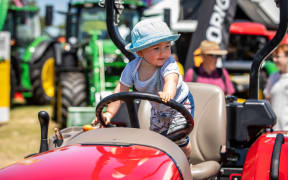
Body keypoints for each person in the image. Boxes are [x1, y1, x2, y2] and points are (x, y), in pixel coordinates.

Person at [92, 20, 195, 158]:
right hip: (159, 107)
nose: (163, 52)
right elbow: (120, 92)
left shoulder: (169, 63)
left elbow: (171, 79)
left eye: (167, 46)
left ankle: (186, 162)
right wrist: (109, 113)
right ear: (140, 52)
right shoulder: (132, 68)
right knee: (155, 141)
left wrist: (168, 92)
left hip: (179, 104)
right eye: (156, 48)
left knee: (178, 137)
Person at [264, 44, 288, 131]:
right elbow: (267, 100)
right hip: (273, 130)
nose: (274, 60)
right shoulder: (273, 77)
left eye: (277, 57)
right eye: (273, 57)